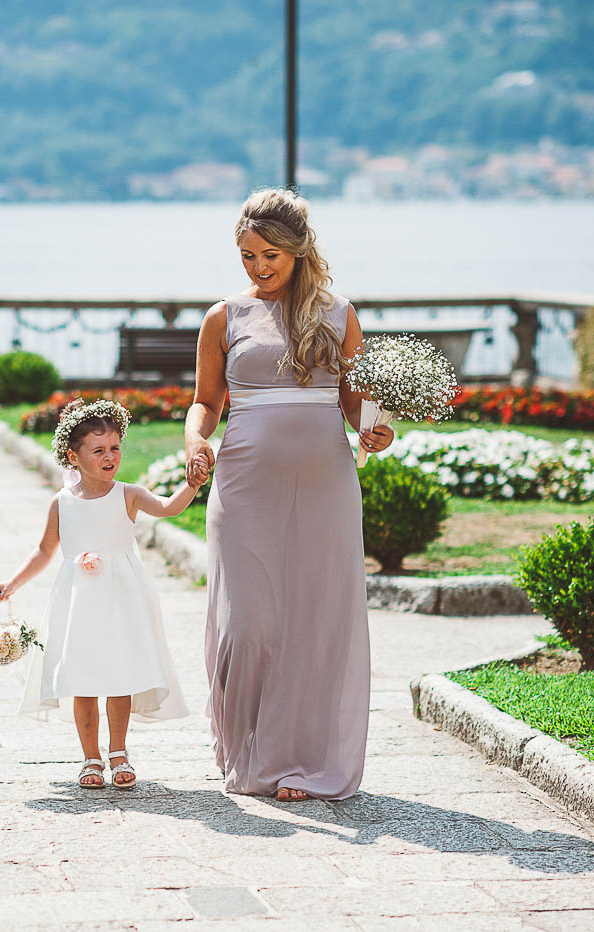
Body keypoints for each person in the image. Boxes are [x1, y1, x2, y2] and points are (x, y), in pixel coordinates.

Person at [184, 187, 395, 802]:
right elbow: (205, 400)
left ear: (299, 252)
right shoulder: (224, 317)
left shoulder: (338, 313)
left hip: (326, 484)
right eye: (248, 255)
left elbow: (355, 399)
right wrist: (195, 441)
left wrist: (374, 428)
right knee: (248, 623)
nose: (258, 267)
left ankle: (300, 762)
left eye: (270, 254)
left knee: (313, 620)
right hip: (245, 484)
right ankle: (246, 751)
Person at [0, 399, 200, 789]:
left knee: (120, 676)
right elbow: (44, 550)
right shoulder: (63, 503)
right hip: (78, 602)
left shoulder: (129, 494)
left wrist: (192, 484)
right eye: (98, 450)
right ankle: (90, 758)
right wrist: (13, 583)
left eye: (115, 448)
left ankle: (118, 751)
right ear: (74, 455)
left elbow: (169, 508)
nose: (110, 457)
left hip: (122, 598)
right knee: (82, 679)